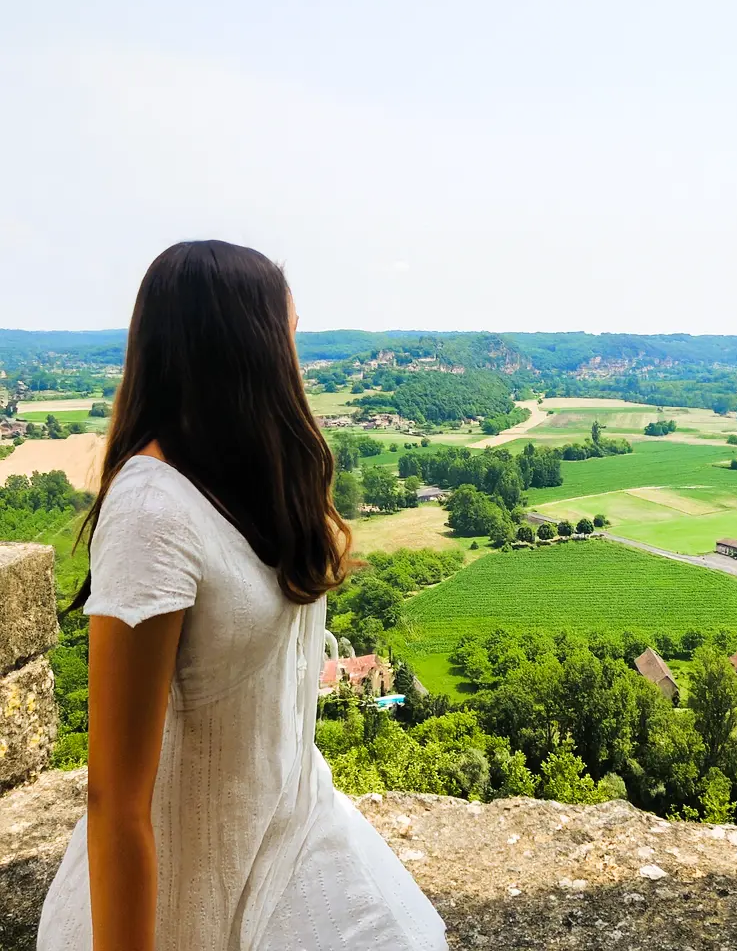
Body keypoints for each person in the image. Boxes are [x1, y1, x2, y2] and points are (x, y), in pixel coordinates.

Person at [37, 241, 448, 951]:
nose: (298, 359)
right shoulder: (151, 510)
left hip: (286, 840)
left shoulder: (245, 484)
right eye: (289, 335)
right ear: (247, 350)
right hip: (187, 897)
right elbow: (113, 799)